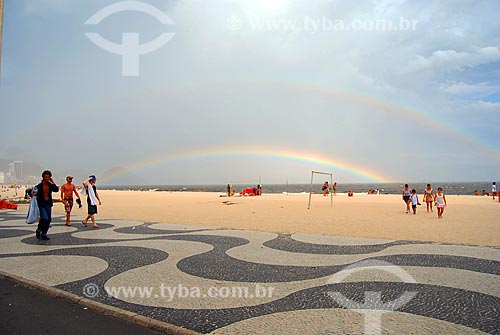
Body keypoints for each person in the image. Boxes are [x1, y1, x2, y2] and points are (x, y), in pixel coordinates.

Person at [33, 170, 59, 240]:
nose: (47, 178)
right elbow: (32, 192)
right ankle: (39, 228)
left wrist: (53, 182)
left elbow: (56, 190)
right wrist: (35, 196)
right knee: (44, 218)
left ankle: (44, 234)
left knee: (48, 220)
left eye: (48, 177)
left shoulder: (50, 185)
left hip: (48, 204)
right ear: (43, 177)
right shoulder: (39, 186)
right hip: (41, 204)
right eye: (46, 177)